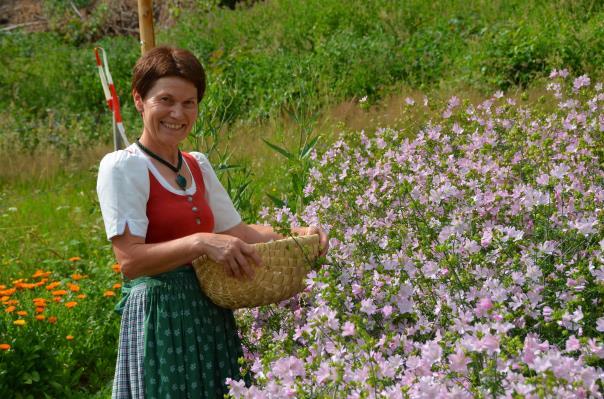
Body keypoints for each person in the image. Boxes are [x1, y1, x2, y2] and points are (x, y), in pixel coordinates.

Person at [96, 46, 328, 399]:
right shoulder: (123, 167)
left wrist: (297, 235)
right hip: (161, 321)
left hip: (208, 314)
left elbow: (240, 233)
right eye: (166, 100)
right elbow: (130, 261)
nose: (178, 113)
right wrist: (200, 242)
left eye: (189, 103)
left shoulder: (196, 165)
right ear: (139, 100)